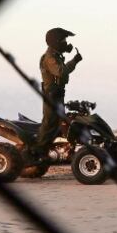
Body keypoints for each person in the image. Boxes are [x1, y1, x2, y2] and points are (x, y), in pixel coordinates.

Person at [33, 27, 82, 159]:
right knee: (49, 122)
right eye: (63, 40)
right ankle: (37, 152)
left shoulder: (56, 56)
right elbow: (61, 72)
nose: (65, 42)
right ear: (55, 42)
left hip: (58, 94)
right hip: (51, 95)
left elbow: (63, 72)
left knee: (57, 124)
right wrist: (74, 61)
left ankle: (52, 150)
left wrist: (68, 55)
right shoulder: (50, 58)